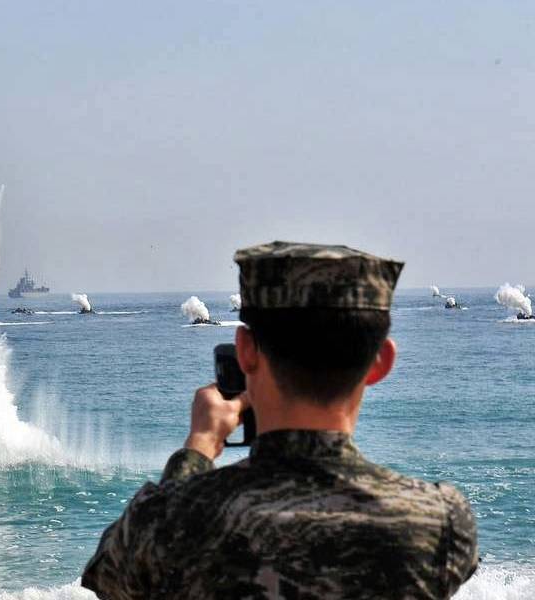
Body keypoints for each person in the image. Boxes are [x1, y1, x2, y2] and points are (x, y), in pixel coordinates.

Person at [81, 241, 478, 599]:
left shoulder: (168, 522)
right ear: (381, 363)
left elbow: (116, 580)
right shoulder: (439, 522)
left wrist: (199, 446)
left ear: (245, 353)